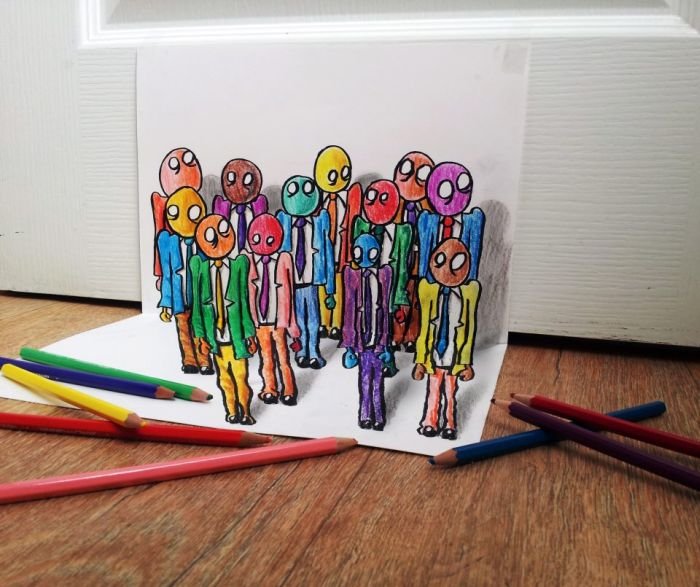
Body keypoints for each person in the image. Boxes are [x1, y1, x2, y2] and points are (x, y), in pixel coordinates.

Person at [190, 214, 258, 425]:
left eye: (222, 233)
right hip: (216, 340)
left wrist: (249, 334)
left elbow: (244, 302)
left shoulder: (238, 266)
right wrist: (200, 336)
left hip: (236, 336)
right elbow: (197, 307)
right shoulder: (201, 269)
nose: (217, 241)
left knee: (241, 376)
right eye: (210, 236)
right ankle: (231, 411)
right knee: (224, 379)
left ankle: (245, 411)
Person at [413, 238, 481, 440]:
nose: (447, 270)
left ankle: (450, 424)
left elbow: (469, 331)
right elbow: (424, 329)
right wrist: (420, 361)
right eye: (441, 260)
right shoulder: (430, 293)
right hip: (434, 356)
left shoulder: (466, 296)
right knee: (433, 390)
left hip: (453, 357)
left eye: (457, 262)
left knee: (450, 393)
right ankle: (430, 422)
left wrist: (466, 363)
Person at [276, 175, 335, 369]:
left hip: (311, 282)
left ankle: (313, 351)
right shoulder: (284, 224)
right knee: (298, 319)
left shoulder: (319, 223)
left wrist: (330, 289)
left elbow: (327, 253)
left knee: (314, 320)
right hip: (292, 283)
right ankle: (301, 352)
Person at [245, 213, 301, 405]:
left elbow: (289, 294)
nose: (263, 244)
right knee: (266, 357)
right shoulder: (250, 263)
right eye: (257, 239)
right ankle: (270, 388)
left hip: (279, 321)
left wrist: (293, 327)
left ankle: (289, 390)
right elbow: (248, 295)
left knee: (283, 357)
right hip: (260, 322)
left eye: (269, 239)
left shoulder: (283, 260)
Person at [156, 186, 212, 374]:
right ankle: (189, 361)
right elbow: (167, 274)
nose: (184, 220)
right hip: (179, 298)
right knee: (183, 330)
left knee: (200, 329)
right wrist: (166, 304)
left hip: (199, 298)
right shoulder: (168, 241)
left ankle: (204, 361)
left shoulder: (204, 241)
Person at [341, 234, 393, 430]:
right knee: (364, 381)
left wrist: (386, 344)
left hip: (378, 341)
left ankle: (378, 416)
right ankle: (365, 415)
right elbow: (348, 311)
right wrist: (349, 346)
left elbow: (385, 311)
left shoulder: (384, 275)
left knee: (377, 381)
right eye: (359, 252)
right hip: (362, 342)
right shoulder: (352, 276)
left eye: (370, 252)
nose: (364, 256)